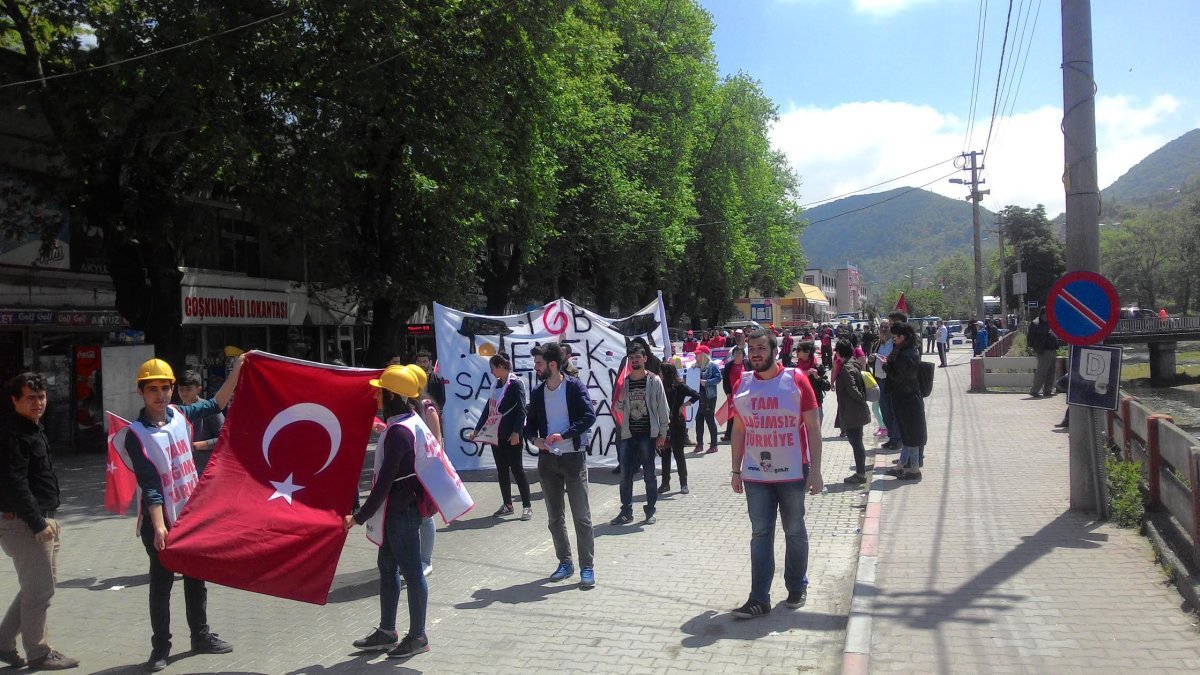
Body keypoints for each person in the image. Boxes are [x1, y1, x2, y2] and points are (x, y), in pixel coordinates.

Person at [124, 356, 244, 672]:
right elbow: (149, 484)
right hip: (160, 522)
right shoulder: (136, 434)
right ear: (141, 392)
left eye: (165, 388)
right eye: (153, 389)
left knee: (196, 578)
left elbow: (216, 404)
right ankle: (160, 648)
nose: (160, 395)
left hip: (190, 516)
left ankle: (200, 636)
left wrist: (237, 370)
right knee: (161, 585)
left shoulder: (180, 414)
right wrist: (159, 527)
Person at [729, 329, 823, 618]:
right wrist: (735, 470)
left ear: (774, 350)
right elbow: (738, 430)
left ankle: (796, 586)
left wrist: (816, 472)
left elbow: (814, 428)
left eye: (761, 348)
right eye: (751, 349)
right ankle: (759, 598)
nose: (755, 353)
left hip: (793, 472)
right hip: (756, 476)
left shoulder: (796, 380)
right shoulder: (743, 384)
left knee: (794, 530)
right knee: (760, 534)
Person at [346, 365, 431, 659]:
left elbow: (383, 483)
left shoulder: (399, 432)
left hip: (401, 512)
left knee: (412, 572)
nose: (376, 395)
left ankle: (418, 636)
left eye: (380, 391)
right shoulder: (406, 421)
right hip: (396, 510)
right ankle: (387, 631)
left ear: (392, 395)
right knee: (387, 567)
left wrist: (358, 517)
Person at [0, 373, 79, 670]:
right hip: (24, 523)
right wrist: (37, 523)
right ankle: (38, 653)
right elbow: (15, 484)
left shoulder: (32, 428)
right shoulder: (14, 434)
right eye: (30, 398)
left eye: (42, 397)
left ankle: (3, 643)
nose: (38, 403)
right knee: (40, 591)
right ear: (15, 400)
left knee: (36, 588)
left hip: (40, 519)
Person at [525, 343, 598, 588]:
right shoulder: (537, 392)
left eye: (539, 363)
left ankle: (587, 567)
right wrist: (535, 439)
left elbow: (589, 416)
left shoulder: (574, 386)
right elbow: (529, 426)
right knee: (555, 517)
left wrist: (564, 435)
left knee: (581, 516)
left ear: (553, 365)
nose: (535, 367)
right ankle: (565, 562)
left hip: (573, 458)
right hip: (547, 461)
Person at [611, 344, 669, 525]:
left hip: (647, 435)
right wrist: (620, 399)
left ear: (645, 358)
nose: (634, 360)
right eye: (631, 358)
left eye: (637, 357)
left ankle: (650, 510)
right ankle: (626, 512)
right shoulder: (626, 382)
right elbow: (619, 409)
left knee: (649, 474)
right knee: (625, 475)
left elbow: (663, 408)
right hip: (628, 435)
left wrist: (663, 433)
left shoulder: (654, 380)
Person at [470, 354, 532, 520]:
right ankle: (507, 504)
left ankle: (527, 506)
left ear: (501, 367)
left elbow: (522, 409)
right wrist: (477, 430)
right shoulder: (495, 385)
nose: (491, 372)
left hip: (512, 434)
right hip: (496, 434)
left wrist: (517, 432)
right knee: (502, 470)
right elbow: (488, 409)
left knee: (517, 469)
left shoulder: (516, 384)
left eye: (493, 368)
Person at [403, 365, 441, 578]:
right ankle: (412, 558)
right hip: (408, 471)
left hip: (425, 471)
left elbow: (437, 443)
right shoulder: (403, 408)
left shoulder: (427, 408)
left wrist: (431, 472)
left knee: (425, 517)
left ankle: (426, 560)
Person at [883, 323, 927, 480]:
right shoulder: (907, 351)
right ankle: (901, 465)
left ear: (903, 337)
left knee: (911, 434)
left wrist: (887, 367)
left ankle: (914, 469)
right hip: (904, 396)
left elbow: (899, 376)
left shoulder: (907, 354)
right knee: (906, 433)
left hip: (907, 398)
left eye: (895, 337)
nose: (894, 340)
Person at [833, 343, 872, 485]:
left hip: (851, 411)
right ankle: (861, 472)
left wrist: (861, 398)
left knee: (856, 443)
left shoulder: (846, 369)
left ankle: (861, 474)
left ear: (840, 353)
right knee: (857, 442)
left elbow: (852, 388)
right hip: (856, 410)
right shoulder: (855, 364)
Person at [658, 363, 699, 495]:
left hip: (677, 423)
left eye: (661, 372)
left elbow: (696, 395)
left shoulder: (679, 386)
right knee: (665, 454)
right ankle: (665, 483)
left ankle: (684, 483)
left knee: (678, 454)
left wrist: (684, 405)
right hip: (664, 424)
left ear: (666, 372)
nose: (659, 374)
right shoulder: (659, 385)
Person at [176, 370, 223, 475]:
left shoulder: (209, 409)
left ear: (199, 389)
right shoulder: (176, 411)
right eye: (181, 389)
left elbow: (225, 438)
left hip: (207, 470)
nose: (184, 393)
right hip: (184, 471)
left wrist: (200, 445)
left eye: (188, 389)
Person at [692, 346, 721, 454]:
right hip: (698, 397)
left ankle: (714, 445)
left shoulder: (712, 365)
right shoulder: (695, 366)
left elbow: (718, 378)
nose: (696, 355)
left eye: (698, 353)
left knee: (710, 421)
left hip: (709, 397)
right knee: (698, 421)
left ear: (703, 355)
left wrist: (707, 382)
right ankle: (699, 444)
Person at [1026, 308, 1059, 398]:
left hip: (1052, 349)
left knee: (1051, 371)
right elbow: (1030, 337)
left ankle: (1048, 390)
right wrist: (1032, 347)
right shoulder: (1035, 323)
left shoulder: (1051, 323)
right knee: (1041, 372)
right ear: (1042, 314)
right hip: (1043, 351)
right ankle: (1034, 390)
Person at [721, 346, 746, 442]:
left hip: (745, 394)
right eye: (736, 353)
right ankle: (728, 434)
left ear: (743, 355)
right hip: (732, 394)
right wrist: (727, 392)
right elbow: (725, 381)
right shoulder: (728, 365)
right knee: (732, 414)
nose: (737, 354)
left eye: (739, 353)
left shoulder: (747, 364)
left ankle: (746, 433)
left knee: (745, 413)